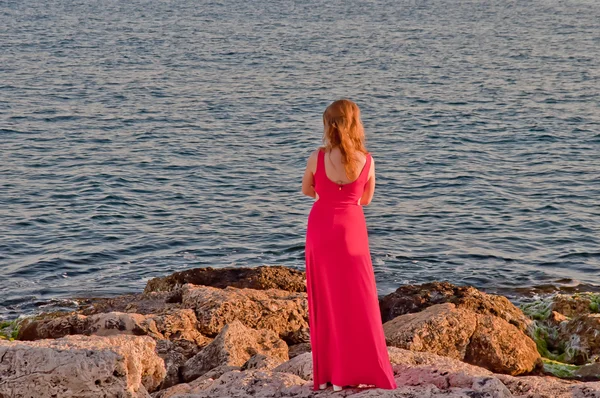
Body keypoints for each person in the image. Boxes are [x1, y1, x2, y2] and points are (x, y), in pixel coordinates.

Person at [301, 99, 397, 392]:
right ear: (356, 124)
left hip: (321, 229)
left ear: (327, 124)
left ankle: (331, 377)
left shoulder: (317, 157)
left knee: (326, 301)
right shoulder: (367, 160)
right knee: (359, 300)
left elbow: (308, 190)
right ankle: (360, 370)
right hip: (352, 231)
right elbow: (365, 199)